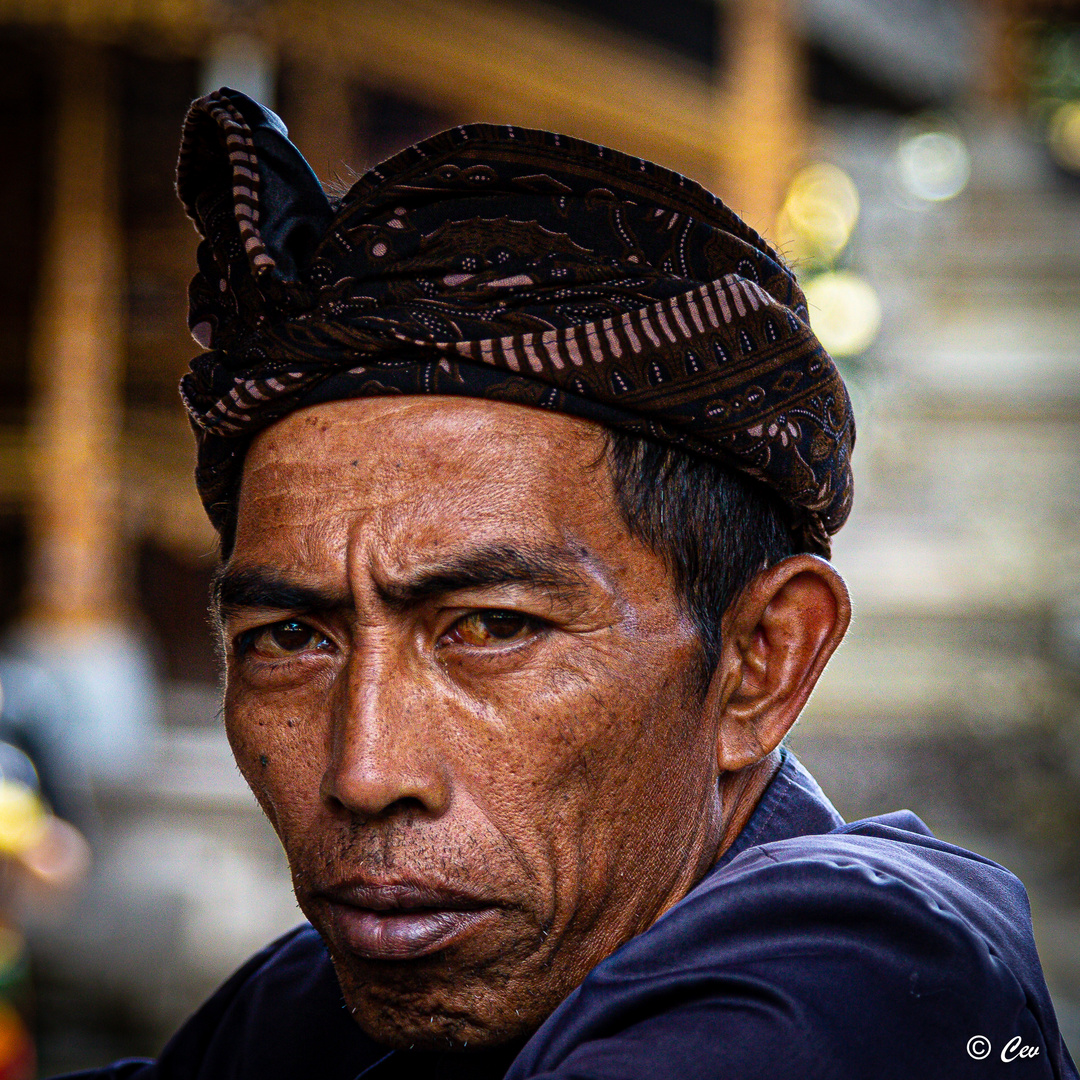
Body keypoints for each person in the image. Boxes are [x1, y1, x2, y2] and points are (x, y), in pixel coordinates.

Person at [57, 89, 1076, 1079]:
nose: (363, 775)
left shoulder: (853, 988)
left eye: (492, 626)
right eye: (290, 637)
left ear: (761, 661)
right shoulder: (342, 988)